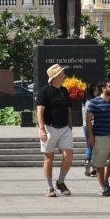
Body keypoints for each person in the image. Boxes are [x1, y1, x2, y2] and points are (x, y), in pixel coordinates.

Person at [36, 64, 74, 197]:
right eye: (62, 72)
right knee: (49, 159)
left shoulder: (64, 90)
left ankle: (60, 182)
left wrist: (70, 125)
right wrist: (42, 129)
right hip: (49, 127)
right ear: (56, 76)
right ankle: (49, 187)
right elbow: (40, 110)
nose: (64, 73)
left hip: (64, 128)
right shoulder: (45, 91)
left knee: (68, 155)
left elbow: (68, 109)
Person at [85, 80, 110, 196]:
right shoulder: (94, 102)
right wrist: (91, 136)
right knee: (99, 164)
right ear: (103, 88)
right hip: (100, 136)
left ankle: (105, 179)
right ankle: (102, 187)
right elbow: (88, 120)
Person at [82, 83, 102, 177]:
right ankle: (94, 168)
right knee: (96, 146)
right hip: (93, 126)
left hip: (85, 126)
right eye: (97, 90)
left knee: (89, 145)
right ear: (93, 91)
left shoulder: (85, 102)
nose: (98, 92)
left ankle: (87, 160)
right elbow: (92, 116)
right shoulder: (94, 102)